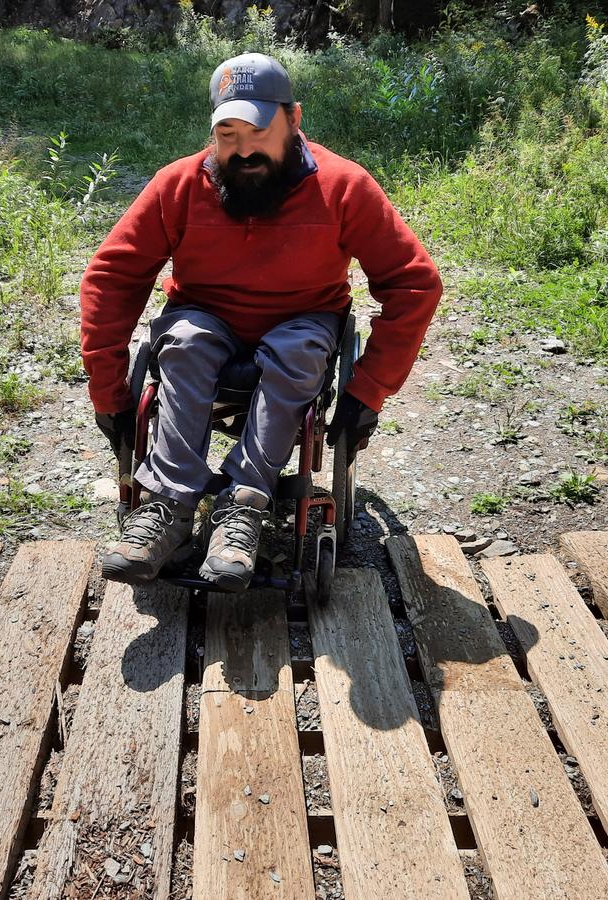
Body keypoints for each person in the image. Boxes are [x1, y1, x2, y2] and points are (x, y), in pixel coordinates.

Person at [81, 51, 443, 591]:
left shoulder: (344, 186)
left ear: (293, 120)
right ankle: (168, 508)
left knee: (297, 351)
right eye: (228, 133)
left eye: (258, 130)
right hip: (205, 316)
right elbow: (113, 277)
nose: (244, 149)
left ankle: (244, 507)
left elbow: (414, 282)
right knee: (181, 340)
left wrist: (367, 392)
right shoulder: (177, 186)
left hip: (303, 318)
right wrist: (108, 391)